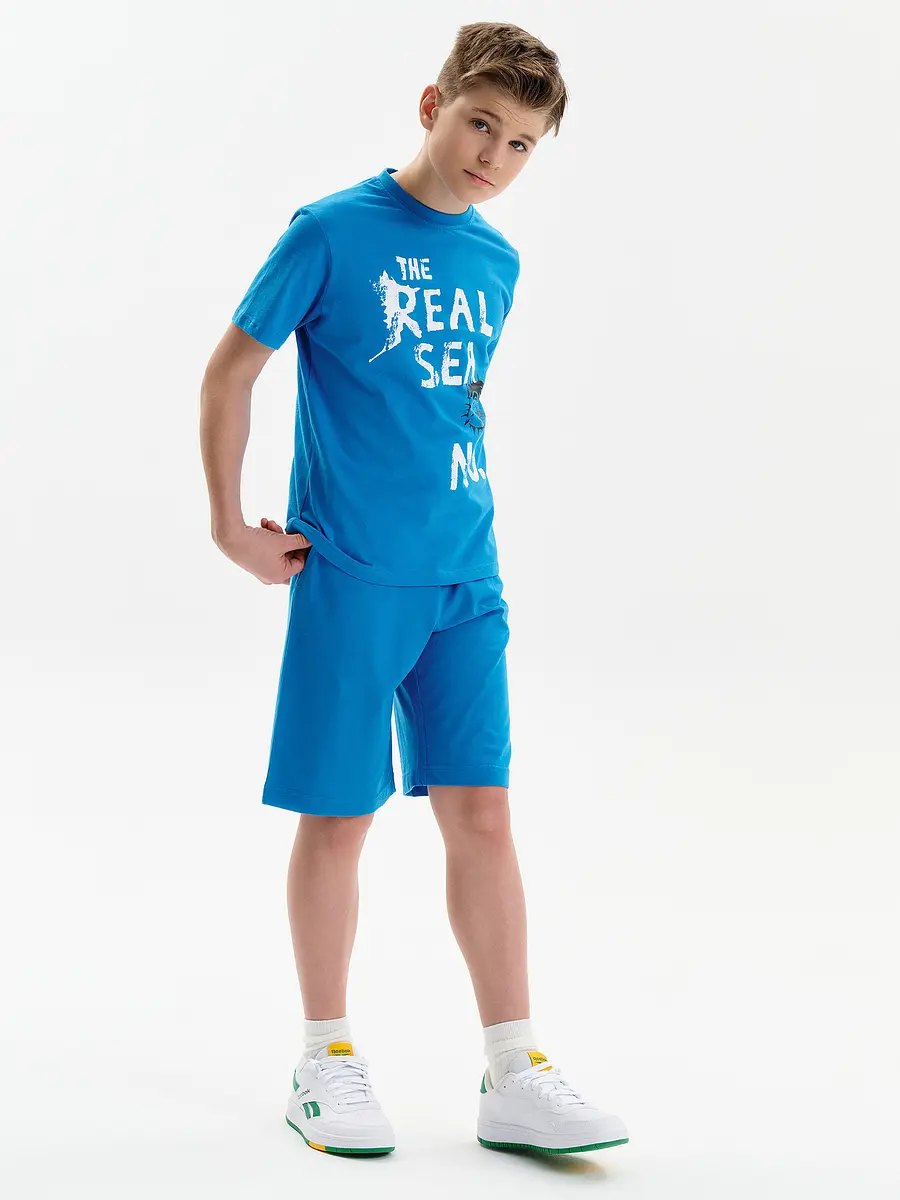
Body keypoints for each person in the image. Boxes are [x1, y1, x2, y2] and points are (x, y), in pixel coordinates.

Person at [199, 20, 629, 1159]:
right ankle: (325, 1058)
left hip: (466, 576)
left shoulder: (498, 262)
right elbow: (231, 371)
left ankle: (513, 1069)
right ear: (433, 104)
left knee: (483, 813)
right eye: (482, 124)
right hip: (351, 574)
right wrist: (230, 525)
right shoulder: (331, 233)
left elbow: (450, 405)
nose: (495, 155)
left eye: (522, 143)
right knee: (340, 814)